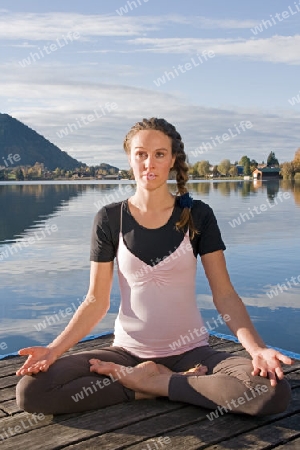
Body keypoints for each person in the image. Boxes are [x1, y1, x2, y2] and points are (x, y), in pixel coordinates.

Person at [16, 117, 292, 416]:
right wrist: (53, 350)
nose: (149, 163)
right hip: (125, 353)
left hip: (192, 352)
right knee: (33, 391)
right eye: (141, 154)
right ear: (130, 158)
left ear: (172, 160)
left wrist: (257, 349)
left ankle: (156, 383)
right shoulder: (110, 218)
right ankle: (145, 385)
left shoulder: (197, 215)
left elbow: (225, 295)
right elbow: (96, 301)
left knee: (271, 391)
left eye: (160, 154)